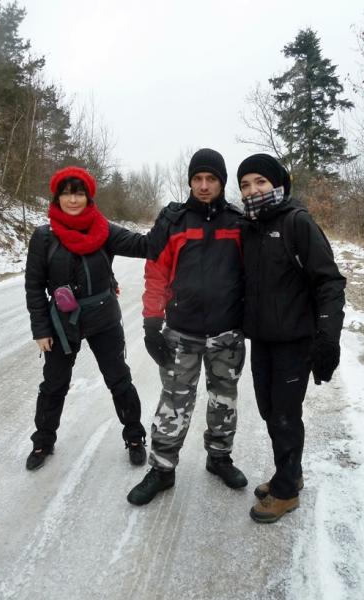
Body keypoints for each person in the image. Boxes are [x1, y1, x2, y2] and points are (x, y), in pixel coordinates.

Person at [127, 148, 247, 505]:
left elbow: (253, 275)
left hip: (227, 334)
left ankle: (219, 458)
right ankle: (162, 470)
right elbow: (156, 273)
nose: (204, 186)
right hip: (181, 333)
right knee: (174, 403)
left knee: (224, 400)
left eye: (211, 179)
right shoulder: (174, 221)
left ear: (221, 182)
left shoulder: (238, 223)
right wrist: (152, 323)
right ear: (190, 182)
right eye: (197, 179)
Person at [237, 154, 346, 523]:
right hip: (262, 340)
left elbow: (330, 281)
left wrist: (328, 337)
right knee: (270, 412)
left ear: (278, 184)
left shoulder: (296, 222)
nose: (253, 190)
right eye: (245, 185)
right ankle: (290, 473)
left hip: (294, 341)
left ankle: (285, 492)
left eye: (260, 182)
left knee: (285, 415)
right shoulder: (250, 227)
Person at [25, 166, 149, 471]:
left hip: (104, 317)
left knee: (118, 378)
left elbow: (142, 245)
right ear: (57, 197)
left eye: (78, 193)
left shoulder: (103, 229)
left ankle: (134, 436)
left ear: (88, 196)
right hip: (61, 322)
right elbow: (34, 286)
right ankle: (43, 440)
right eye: (66, 193)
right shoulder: (44, 236)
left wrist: (172, 222)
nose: (73, 200)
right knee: (54, 383)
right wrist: (40, 329)